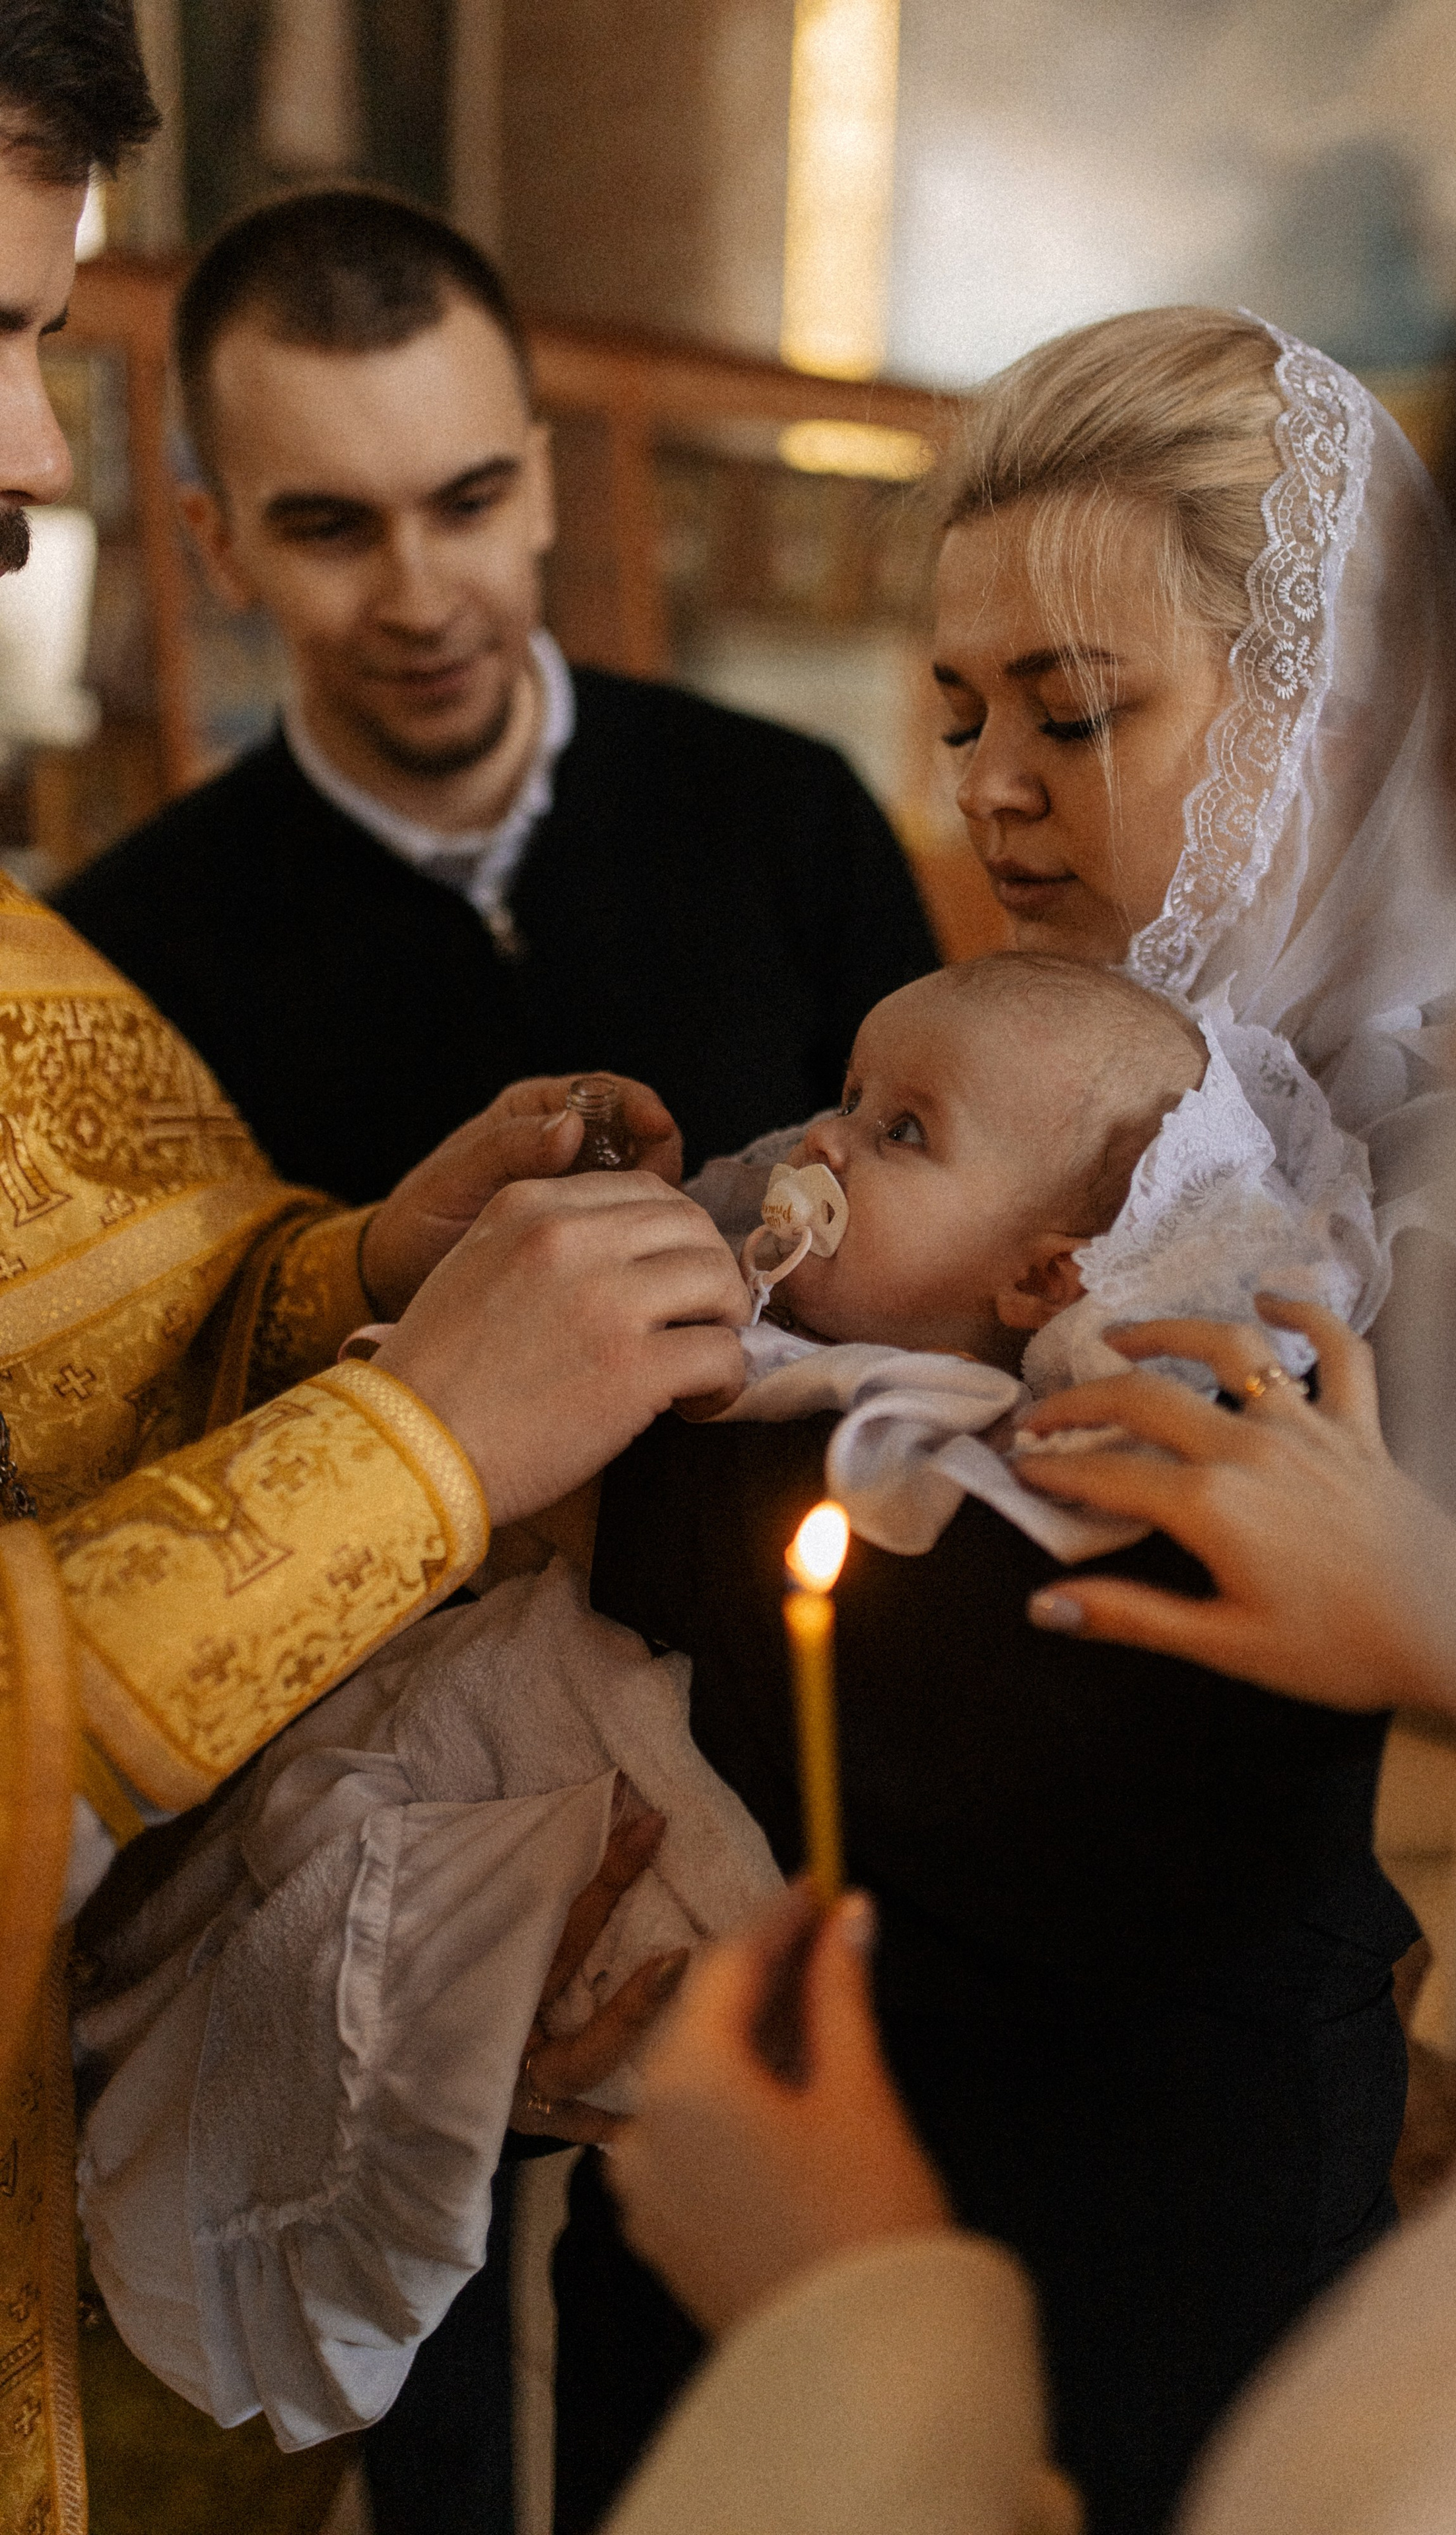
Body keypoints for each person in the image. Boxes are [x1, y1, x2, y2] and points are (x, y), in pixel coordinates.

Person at [570, 57, 1456, 2535]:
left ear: (1348, 718)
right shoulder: (956, 1092)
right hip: (730, 2207)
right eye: (959, 712)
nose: (985, 788)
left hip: (1177, 2290)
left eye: (1078, 714)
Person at [73, 945, 1366, 2452]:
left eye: (900, 1131)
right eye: (846, 1096)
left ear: (1040, 1277)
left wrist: (493, 1422)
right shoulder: (800, 1329)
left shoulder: (950, 1439)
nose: (822, 1140)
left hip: (1047, 2241)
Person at [0, 20, 754, 2535]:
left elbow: (58, 1325)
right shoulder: (157, 902)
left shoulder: (764, 808)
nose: (29, 457)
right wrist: (417, 1439)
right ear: (225, 543)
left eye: (42, 342)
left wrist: (342, 1289)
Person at [50, 186, 937, 1203]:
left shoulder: (793, 814)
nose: (422, 604)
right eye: (331, 529)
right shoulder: (129, 960)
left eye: (469, 504)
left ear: (541, 489)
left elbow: (957, 1216)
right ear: (219, 548)